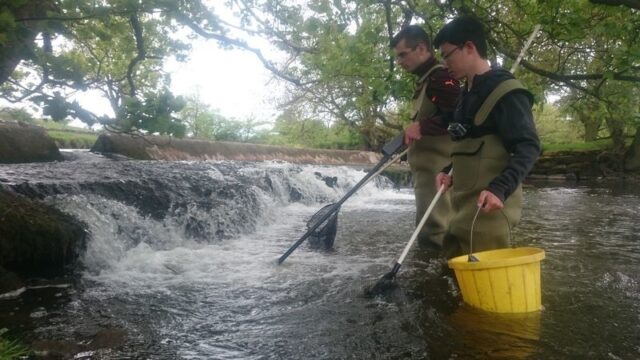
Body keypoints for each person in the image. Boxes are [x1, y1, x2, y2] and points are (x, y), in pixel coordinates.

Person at [433, 15, 541, 259]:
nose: (444, 63)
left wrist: (500, 189)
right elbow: (472, 144)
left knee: (489, 290)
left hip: (488, 213)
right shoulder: (464, 95)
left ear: (469, 47)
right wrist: (447, 170)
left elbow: (529, 146)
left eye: (448, 55)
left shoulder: (507, 92)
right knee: (451, 276)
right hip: (459, 210)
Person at [390, 25, 461, 249]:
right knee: (429, 230)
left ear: (421, 48)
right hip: (427, 174)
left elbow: (457, 117)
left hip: (437, 173)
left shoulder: (441, 77)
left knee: (435, 233)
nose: (399, 62)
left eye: (403, 55)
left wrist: (423, 126)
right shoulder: (427, 79)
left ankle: (438, 280)